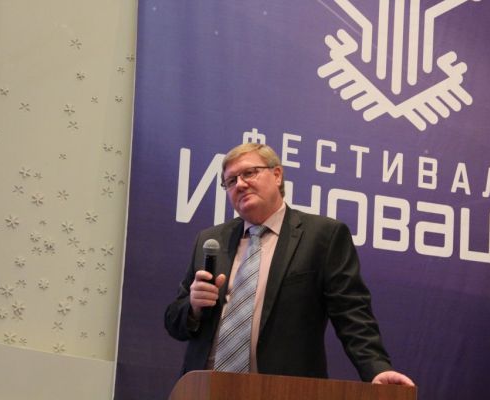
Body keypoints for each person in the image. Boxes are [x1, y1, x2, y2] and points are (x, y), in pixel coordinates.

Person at [164, 142, 414, 386]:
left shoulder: (322, 236)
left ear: (277, 175)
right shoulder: (211, 240)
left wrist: (376, 369)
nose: (240, 184)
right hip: (205, 388)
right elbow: (174, 322)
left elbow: (351, 314)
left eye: (249, 173)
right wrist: (193, 307)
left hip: (284, 389)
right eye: (230, 181)